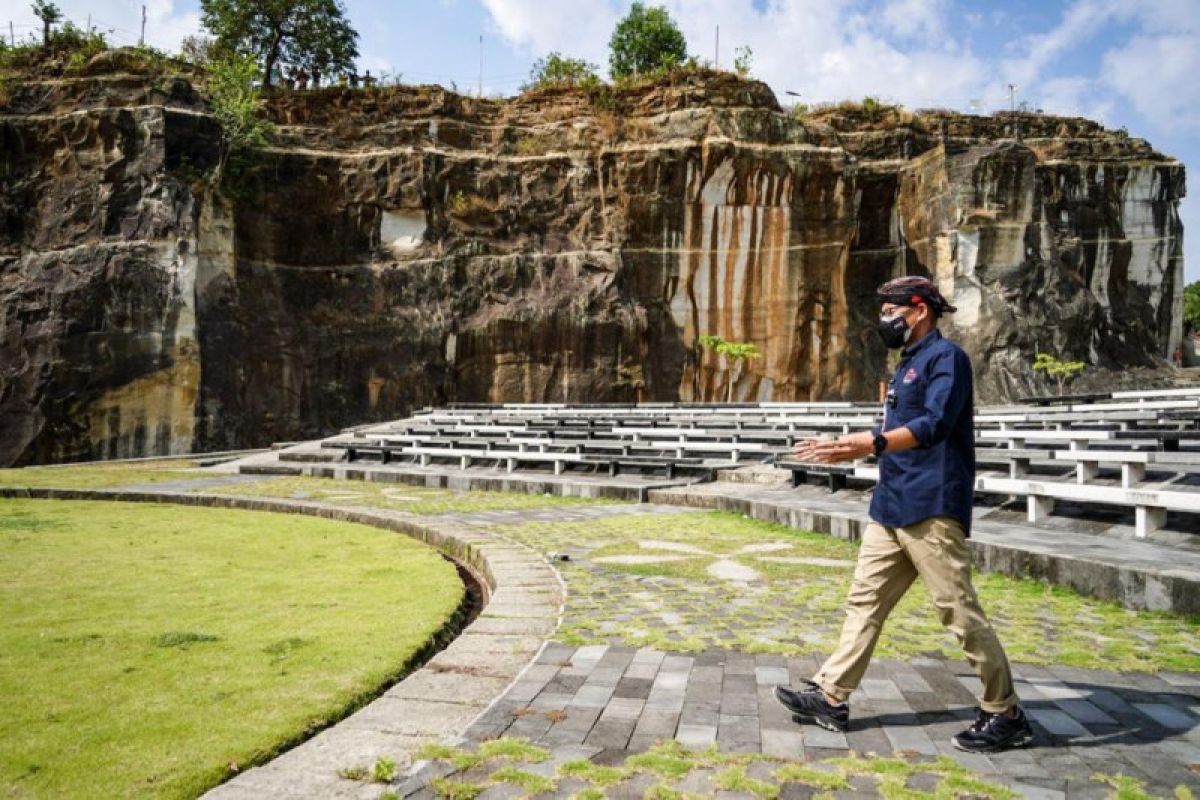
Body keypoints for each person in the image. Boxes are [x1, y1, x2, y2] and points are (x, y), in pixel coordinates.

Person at [774, 275, 1034, 754]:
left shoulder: (946, 360)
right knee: (864, 604)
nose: (884, 320)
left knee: (957, 611)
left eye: (891, 311)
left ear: (919, 309)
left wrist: (869, 442)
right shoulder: (908, 363)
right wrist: (856, 444)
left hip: (931, 504)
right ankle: (832, 696)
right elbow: (895, 428)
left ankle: (1006, 712)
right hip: (891, 502)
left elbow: (934, 425)